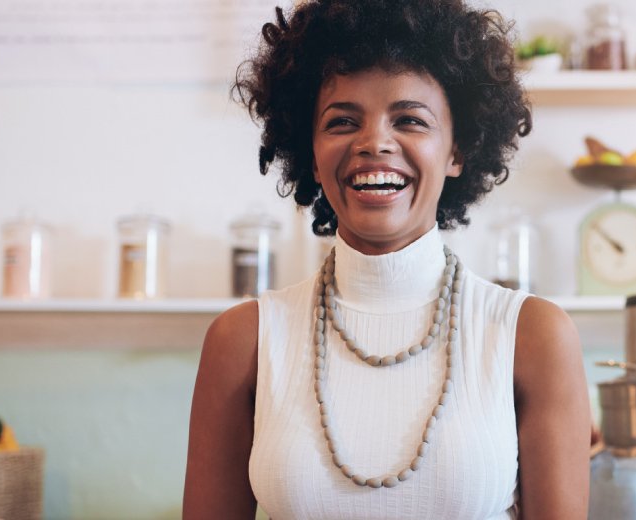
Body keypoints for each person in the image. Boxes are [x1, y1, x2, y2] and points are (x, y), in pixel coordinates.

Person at [182, 1, 591, 518]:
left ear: (457, 150)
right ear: (310, 150)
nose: (374, 142)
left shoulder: (532, 337)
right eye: (342, 121)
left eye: (410, 120)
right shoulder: (244, 341)